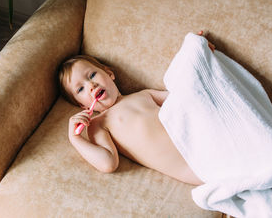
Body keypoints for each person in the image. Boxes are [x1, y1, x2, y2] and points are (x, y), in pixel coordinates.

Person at [58, 31, 214, 186]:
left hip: (202, 140)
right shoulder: (99, 124)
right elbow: (108, 164)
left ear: (109, 73)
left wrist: (197, 57)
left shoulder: (144, 94)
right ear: (82, 105)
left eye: (92, 75)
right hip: (193, 169)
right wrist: (76, 139)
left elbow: (185, 96)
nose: (91, 85)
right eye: (80, 89)